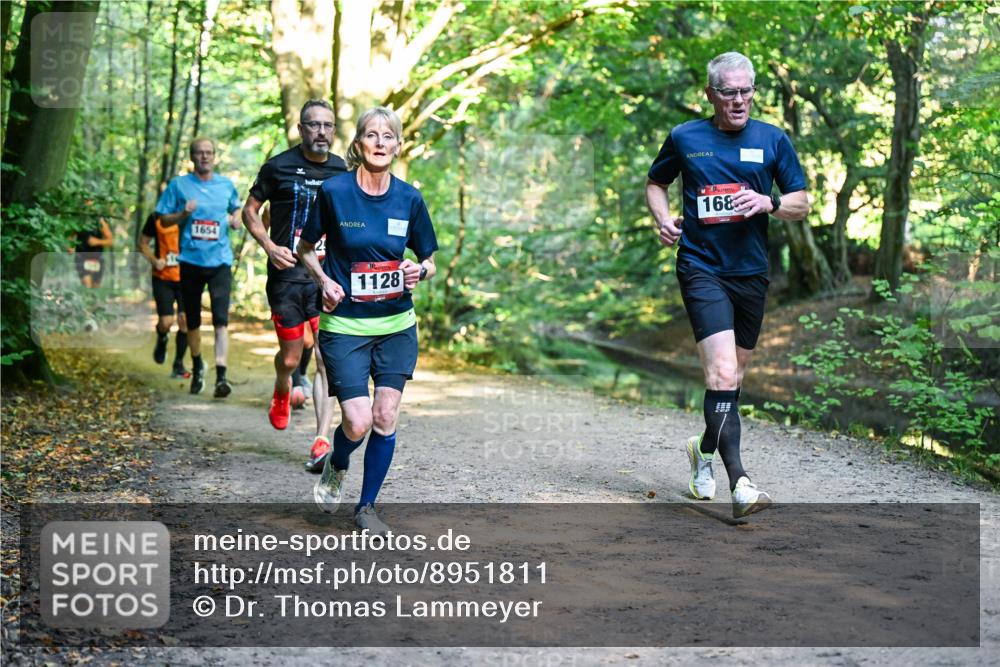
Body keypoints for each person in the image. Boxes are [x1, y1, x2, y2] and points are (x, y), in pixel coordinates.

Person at [645, 52, 810, 518]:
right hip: (701, 266)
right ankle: (741, 484)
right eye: (728, 91)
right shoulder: (685, 136)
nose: (738, 100)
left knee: (732, 381)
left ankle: (702, 450)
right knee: (719, 374)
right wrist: (663, 221)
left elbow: (801, 202)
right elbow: (656, 183)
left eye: (746, 90)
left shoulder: (772, 139)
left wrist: (768, 202)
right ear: (710, 94)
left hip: (751, 272)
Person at [298, 106, 438, 535]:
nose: (380, 142)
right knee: (357, 422)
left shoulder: (410, 198)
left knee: (385, 415)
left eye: (388, 136)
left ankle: (367, 508)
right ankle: (338, 463)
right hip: (346, 328)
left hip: (396, 325)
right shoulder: (335, 192)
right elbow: (304, 249)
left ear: (398, 146)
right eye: (372, 135)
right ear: (358, 144)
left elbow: (429, 259)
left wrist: (420, 270)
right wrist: (323, 280)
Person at [243, 99, 347, 471]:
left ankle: (321, 440)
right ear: (301, 129)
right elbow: (250, 210)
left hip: (325, 278)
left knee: (325, 358)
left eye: (328, 125)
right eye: (314, 125)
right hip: (286, 277)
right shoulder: (278, 167)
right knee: (290, 358)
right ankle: (282, 386)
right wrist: (269, 246)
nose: (321, 131)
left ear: (333, 131)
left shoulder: (343, 170)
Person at [155, 137, 242, 397]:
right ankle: (197, 365)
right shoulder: (179, 185)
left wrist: (237, 219)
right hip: (190, 263)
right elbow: (162, 219)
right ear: (192, 157)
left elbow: (237, 209)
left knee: (221, 321)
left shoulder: (226, 185)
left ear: (215, 156)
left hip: (220, 263)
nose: (204, 157)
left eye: (209, 152)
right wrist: (182, 213)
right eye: (199, 153)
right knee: (192, 322)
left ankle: (222, 376)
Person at [138, 212, 189, 378]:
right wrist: (154, 260)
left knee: (185, 322)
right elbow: (143, 243)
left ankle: (178, 364)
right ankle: (162, 338)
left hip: (187, 277)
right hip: (162, 278)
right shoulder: (155, 217)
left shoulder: (190, 215)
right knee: (166, 322)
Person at [73, 206, 113, 289]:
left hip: (96, 258)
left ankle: (93, 300)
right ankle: (87, 299)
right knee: (87, 285)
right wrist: (70, 246)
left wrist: (97, 241)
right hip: (82, 257)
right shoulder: (79, 221)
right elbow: (70, 236)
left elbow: (110, 241)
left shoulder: (100, 221)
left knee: (95, 287)